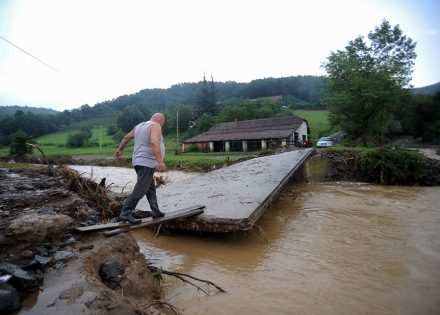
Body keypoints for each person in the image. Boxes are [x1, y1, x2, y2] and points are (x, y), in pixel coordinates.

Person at [114, 113, 167, 224]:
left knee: (150, 188)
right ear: (161, 121)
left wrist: (120, 149)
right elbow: (154, 142)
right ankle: (125, 213)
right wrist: (160, 161)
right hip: (146, 163)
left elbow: (126, 137)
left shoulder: (140, 126)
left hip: (138, 162)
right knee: (141, 189)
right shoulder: (156, 126)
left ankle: (156, 211)